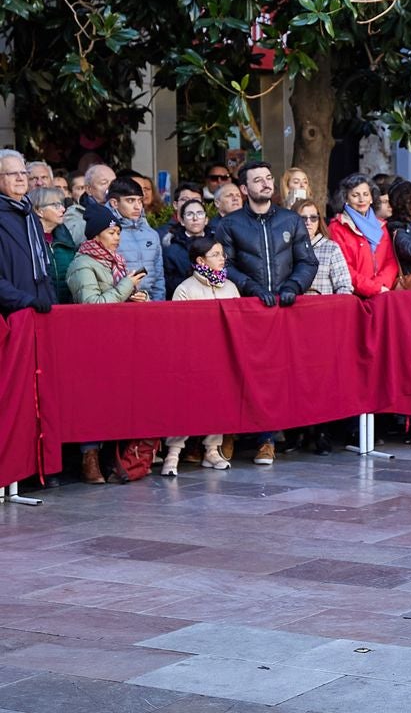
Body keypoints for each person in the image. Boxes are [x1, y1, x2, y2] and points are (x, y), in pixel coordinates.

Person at [213, 162, 318, 465]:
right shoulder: (229, 224)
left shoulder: (291, 220)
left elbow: (307, 261)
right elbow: (224, 263)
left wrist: (294, 286)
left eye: (269, 179)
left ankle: (267, 440)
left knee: (273, 375)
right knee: (237, 372)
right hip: (245, 308)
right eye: (257, 180)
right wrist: (249, 287)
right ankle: (229, 435)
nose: (265, 184)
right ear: (244, 189)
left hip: (283, 308)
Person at [66, 202, 153, 484]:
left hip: (118, 343)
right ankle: (89, 458)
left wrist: (137, 297)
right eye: (112, 231)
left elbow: (117, 296)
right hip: (90, 345)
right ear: (95, 235)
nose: (117, 237)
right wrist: (126, 287)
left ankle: (115, 457)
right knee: (92, 402)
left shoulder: (116, 261)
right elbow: (92, 305)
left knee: (118, 399)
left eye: (118, 232)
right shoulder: (82, 264)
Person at [165, 236, 239, 473]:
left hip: (222, 355)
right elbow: (177, 327)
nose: (222, 258)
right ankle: (174, 452)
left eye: (222, 253)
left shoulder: (230, 287)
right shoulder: (185, 289)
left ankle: (212, 449)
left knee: (219, 401)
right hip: (193, 357)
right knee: (185, 403)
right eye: (215, 254)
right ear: (200, 260)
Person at [328, 173, 400, 298]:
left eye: (366, 194)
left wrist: (380, 286)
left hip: (382, 293)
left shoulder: (381, 226)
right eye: (355, 195)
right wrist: (373, 288)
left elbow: (391, 261)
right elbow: (344, 268)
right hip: (353, 296)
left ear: (372, 198)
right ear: (345, 198)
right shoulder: (337, 227)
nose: (362, 200)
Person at [0, 151, 54, 315]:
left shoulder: (30, 215)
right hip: (12, 315)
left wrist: (50, 300)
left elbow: (44, 267)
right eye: (12, 173)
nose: (20, 177)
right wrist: (24, 300)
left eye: (23, 172)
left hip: (39, 311)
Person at [105, 177, 166, 301]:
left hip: (149, 303)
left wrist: (158, 306)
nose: (137, 207)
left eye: (139, 201)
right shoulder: (104, 233)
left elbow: (158, 278)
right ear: (114, 203)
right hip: (117, 305)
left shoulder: (151, 234)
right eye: (130, 200)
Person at [292, 200, 353, 295]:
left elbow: (344, 286)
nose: (308, 222)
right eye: (303, 218)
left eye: (313, 218)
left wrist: (336, 307)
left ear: (319, 220)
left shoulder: (331, 248)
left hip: (324, 307)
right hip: (294, 307)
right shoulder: (284, 248)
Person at [26, 185, 69, 302]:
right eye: (56, 205)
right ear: (39, 210)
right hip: (43, 307)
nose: (63, 209)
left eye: (61, 204)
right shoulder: (28, 240)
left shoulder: (66, 236)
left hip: (69, 307)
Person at [58, 163, 116, 248]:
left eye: (113, 182)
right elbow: (71, 241)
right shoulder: (75, 212)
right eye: (104, 183)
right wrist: (100, 214)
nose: (110, 187)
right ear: (88, 189)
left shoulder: (122, 209)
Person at [164, 199, 214, 291]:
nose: (195, 218)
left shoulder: (216, 244)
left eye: (200, 213)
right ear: (182, 221)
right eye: (189, 214)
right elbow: (168, 281)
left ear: (206, 220)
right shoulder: (172, 249)